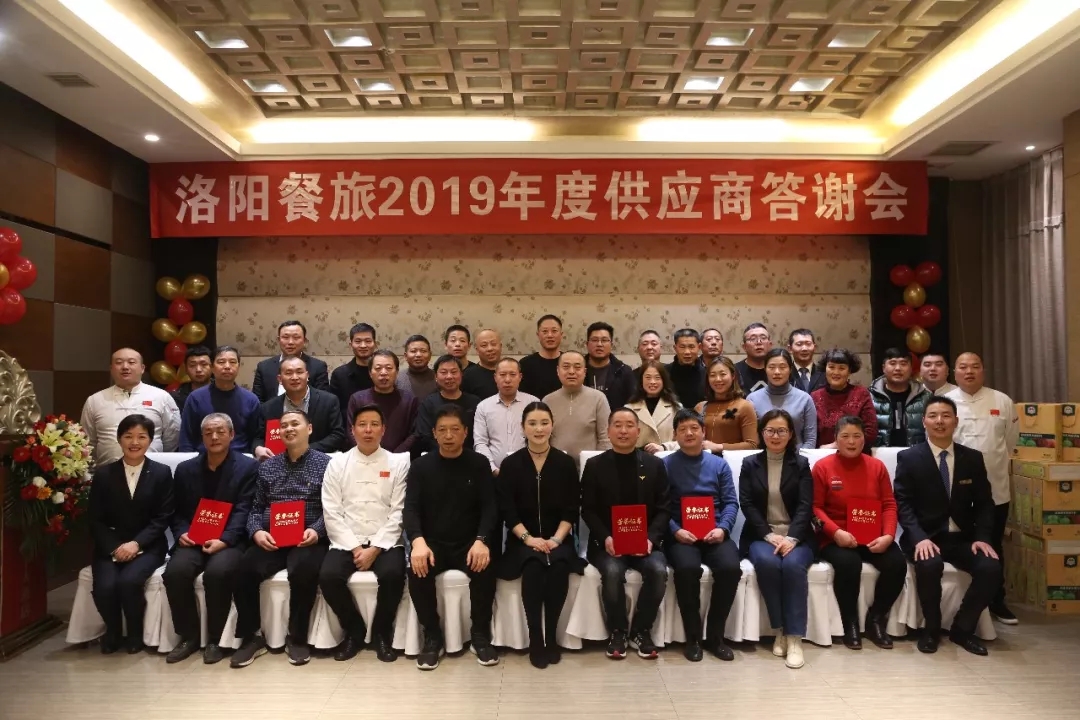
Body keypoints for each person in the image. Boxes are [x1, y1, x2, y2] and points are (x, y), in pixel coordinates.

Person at [893, 397, 1001, 656]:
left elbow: (985, 504)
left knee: (991, 568)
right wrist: (918, 538)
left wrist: (982, 537)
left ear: (956, 421)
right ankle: (931, 629)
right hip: (925, 537)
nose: (939, 421)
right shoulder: (909, 458)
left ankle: (962, 629)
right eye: (933, 416)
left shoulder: (972, 458)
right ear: (924, 421)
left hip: (963, 538)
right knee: (930, 565)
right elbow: (903, 504)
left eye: (946, 416)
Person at [231, 410, 332, 668]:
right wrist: (256, 531)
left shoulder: (327, 464)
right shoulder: (267, 467)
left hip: (308, 537)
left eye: (295, 424)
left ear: (309, 429)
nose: (288, 429)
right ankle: (251, 637)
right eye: (284, 425)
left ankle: (297, 638)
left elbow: (334, 508)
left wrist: (317, 530)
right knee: (243, 569)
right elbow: (256, 508)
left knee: (303, 570)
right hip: (272, 537)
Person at [405, 405, 499, 670]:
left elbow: (490, 507)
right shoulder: (421, 466)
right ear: (434, 433)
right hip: (433, 542)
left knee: (486, 568)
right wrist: (417, 541)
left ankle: (480, 634)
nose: (449, 435)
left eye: (455, 429)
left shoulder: (479, 464)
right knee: (417, 570)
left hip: (469, 541)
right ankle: (432, 636)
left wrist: (482, 540)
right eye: (443, 430)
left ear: (465, 432)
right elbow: (410, 508)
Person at [164, 413, 259, 664]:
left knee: (218, 573)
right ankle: (188, 636)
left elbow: (245, 508)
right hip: (193, 538)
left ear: (232, 435)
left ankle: (216, 639)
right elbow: (176, 511)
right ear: (201, 437)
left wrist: (225, 539)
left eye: (220, 432)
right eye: (208, 433)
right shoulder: (185, 469)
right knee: (175, 572)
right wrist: (181, 533)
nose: (214, 437)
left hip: (230, 541)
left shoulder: (248, 467)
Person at [319, 403, 409, 663]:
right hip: (347, 539)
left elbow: (399, 511)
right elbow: (331, 510)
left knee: (393, 575)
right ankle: (354, 630)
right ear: (353, 430)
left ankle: (381, 632)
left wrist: (376, 548)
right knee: (328, 576)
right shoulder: (337, 463)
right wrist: (356, 547)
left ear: (383, 430)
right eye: (362, 425)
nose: (368, 430)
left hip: (385, 541)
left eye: (374, 425)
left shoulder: (397, 462)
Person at [497, 402, 581, 668]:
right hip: (522, 539)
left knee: (558, 568)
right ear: (523, 427)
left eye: (544, 423)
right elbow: (507, 510)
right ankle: (535, 637)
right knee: (533, 567)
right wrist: (528, 539)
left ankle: (551, 636)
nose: (539, 429)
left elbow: (572, 507)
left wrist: (556, 539)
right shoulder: (511, 464)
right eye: (532, 423)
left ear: (552, 426)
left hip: (559, 537)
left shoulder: (565, 463)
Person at [581, 408, 670, 660]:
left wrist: (650, 539)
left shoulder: (654, 465)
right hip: (607, 542)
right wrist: (606, 537)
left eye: (629, 425)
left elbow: (664, 508)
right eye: (617, 425)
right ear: (608, 431)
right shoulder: (595, 465)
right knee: (612, 571)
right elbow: (588, 509)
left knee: (658, 570)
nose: (623, 431)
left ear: (638, 431)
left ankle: (641, 630)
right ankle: (618, 631)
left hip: (646, 542)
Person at [812, 416, 906, 650]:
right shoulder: (823, 467)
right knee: (849, 564)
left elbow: (889, 504)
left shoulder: (877, 467)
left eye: (857, 436)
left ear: (865, 439)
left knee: (896, 563)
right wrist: (835, 533)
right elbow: (815, 508)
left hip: (872, 535)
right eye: (845, 436)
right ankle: (850, 623)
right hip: (835, 537)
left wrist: (888, 535)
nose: (851, 442)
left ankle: (876, 619)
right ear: (836, 439)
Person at [87, 414, 174, 654]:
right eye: (128, 436)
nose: (134, 442)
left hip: (148, 545)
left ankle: (135, 633)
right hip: (110, 545)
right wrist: (115, 547)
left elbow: (163, 517)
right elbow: (95, 518)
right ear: (119, 439)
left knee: (129, 582)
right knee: (105, 586)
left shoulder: (161, 473)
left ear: (150, 440)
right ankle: (113, 631)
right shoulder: (104, 474)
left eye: (141, 437)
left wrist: (136, 543)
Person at [663, 409, 742, 662]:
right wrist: (675, 530)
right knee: (687, 569)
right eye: (682, 429)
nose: (689, 433)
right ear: (675, 434)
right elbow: (659, 507)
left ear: (703, 432)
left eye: (694, 428)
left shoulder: (719, 464)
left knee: (731, 568)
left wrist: (723, 528)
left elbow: (731, 503)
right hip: (681, 535)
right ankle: (693, 637)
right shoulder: (665, 465)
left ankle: (716, 637)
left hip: (714, 532)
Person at [739, 410, 815, 670]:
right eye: (770, 430)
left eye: (781, 430)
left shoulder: (801, 464)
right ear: (762, 433)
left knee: (793, 566)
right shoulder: (750, 464)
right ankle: (781, 629)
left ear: (791, 434)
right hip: (762, 535)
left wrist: (791, 537)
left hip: (797, 536)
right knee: (768, 564)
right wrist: (769, 534)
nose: (775, 435)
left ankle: (795, 639)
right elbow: (747, 503)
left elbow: (805, 505)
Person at [946, 352, 1018, 625]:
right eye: (963, 367)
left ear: (983, 370)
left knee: (993, 543)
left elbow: (1010, 442)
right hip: (957, 492)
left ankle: (997, 600)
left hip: (996, 488)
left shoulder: (1002, 401)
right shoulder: (946, 402)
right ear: (954, 372)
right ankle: (965, 601)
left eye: (975, 366)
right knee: (961, 543)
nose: (969, 372)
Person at [81, 348, 180, 466]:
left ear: (142, 368)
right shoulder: (95, 400)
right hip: (108, 470)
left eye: (131, 362)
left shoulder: (161, 397)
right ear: (111, 369)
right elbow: (87, 440)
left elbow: (172, 436)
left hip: (151, 470)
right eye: (119, 362)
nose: (125, 367)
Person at [254, 356, 346, 458]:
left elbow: (337, 435)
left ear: (307, 375)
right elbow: (258, 437)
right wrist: (258, 448)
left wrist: (305, 450)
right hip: (281, 460)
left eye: (299, 372)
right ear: (280, 379)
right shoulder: (268, 407)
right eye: (289, 373)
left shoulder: (329, 401)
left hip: (319, 457)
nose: (294, 377)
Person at [179, 346, 261, 453]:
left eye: (232, 362)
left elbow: (256, 437)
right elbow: (186, 438)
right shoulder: (195, 398)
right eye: (221, 362)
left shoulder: (251, 400)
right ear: (212, 367)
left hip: (241, 458)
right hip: (204, 458)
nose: (227, 366)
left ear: (238, 366)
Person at [543, 351, 612, 469]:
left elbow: (605, 438)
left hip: (589, 468)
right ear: (558, 371)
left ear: (585, 372)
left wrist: (600, 466)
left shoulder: (598, 398)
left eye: (577, 367)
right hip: (555, 468)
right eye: (566, 367)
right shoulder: (547, 401)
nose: (571, 371)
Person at [346, 349, 419, 453]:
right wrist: (367, 451)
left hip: (398, 458)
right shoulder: (357, 399)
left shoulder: (410, 400)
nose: (383, 373)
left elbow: (414, 433)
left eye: (389, 368)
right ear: (370, 373)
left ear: (397, 372)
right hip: (365, 456)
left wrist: (394, 456)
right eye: (378, 368)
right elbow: (351, 430)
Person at [473, 358, 538, 473]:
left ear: (520, 377)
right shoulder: (483, 407)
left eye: (512, 374)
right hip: (494, 473)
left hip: (529, 471)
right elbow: (480, 443)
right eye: (502, 375)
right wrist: (492, 469)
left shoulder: (534, 403)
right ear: (495, 377)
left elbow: (540, 438)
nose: (507, 380)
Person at [746, 349, 817, 449]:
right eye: (771, 367)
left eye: (782, 367)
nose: (777, 372)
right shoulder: (752, 399)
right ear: (765, 369)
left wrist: (800, 457)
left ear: (790, 369)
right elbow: (752, 438)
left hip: (797, 455)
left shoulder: (805, 399)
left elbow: (810, 439)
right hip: (763, 455)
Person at [412, 354, 480, 457]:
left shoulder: (475, 402)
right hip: (436, 457)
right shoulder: (428, 403)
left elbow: (479, 435)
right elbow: (424, 436)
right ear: (436, 376)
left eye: (454, 372)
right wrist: (447, 452)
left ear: (461, 374)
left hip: (469, 457)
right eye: (443, 372)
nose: (449, 377)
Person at [811, 348, 878, 448]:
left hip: (855, 451)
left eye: (841, 368)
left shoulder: (861, 394)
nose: (836, 372)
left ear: (849, 371)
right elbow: (810, 433)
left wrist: (836, 445)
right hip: (823, 453)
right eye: (831, 367)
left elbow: (871, 432)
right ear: (825, 368)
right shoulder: (815, 396)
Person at [251, 320, 330, 403]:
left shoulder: (318, 366)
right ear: (278, 340)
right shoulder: (264, 367)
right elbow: (257, 401)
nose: (290, 342)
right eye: (285, 337)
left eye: (296, 337)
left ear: (305, 340)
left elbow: (322, 401)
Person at [870, 348, 931, 448]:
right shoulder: (869, 397)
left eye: (903, 363)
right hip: (878, 453)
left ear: (911, 368)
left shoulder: (926, 397)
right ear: (883, 368)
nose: (898, 368)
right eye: (892, 363)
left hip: (916, 453)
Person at [695, 357, 758, 453]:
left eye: (723, 374)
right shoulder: (700, 407)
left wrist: (719, 447)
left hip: (732, 461)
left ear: (733, 376)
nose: (718, 379)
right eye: (712, 375)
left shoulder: (744, 406)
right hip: (704, 460)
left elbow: (752, 445)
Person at [626, 361, 680, 454]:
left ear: (663, 380)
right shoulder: (629, 409)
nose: (652, 382)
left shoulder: (676, 408)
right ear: (641, 380)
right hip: (639, 460)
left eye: (657, 378)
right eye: (648, 377)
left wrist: (664, 447)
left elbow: (684, 440)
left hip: (667, 458)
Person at [330, 322, 378, 420]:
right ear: (350, 344)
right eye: (358, 341)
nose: (363, 345)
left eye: (368, 341)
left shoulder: (382, 373)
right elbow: (335, 411)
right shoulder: (339, 375)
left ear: (375, 344)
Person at [584, 321, 636, 411]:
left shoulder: (624, 371)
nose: (599, 344)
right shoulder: (577, 370)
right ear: (587, 344)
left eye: (604, 340)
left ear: (611, 345)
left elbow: (632, 404)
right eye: (595, 340)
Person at [519, 314, 564, 400]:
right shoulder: (525, 364)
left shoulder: (569, 363)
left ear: (561, 334)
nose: (550, 335)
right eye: (545, 331)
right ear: (538, 335)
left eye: (554, 331)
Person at [665, 328, 706, 408]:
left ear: (699, 347)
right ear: (675, 348)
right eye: (682, 347)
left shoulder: (707, 374)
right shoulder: (665, 373)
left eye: (691, 347)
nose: (687, 352)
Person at [461, 329, 502, 399]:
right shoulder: (468, 375)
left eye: (493, 344)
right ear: (477, 350)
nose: (490, 349)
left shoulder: (512, 370)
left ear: (500, 346)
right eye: (484, 345)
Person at [172, 345, 212, 413]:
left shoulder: (222, 391)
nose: (198, 370)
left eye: (204, 364)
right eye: (192, 365)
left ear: (212, 367)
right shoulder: (176, 397)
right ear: (186, 369)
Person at [396, 334, 437, 399]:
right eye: (413, 351)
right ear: (406, 356)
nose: (418, 355)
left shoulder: (438, 378)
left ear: (430, 355)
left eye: (423, 351)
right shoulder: (397, 378)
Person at [735, 323, 772, 393]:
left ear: (770, 344)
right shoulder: (734, 371)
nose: (759, 342)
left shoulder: (779, 370)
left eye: (763, 338)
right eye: (753, 339)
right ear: (744, 347)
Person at [788, 329, 825, 394]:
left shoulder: (824, 372)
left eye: (808, 344)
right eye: (799, 344)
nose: (804, 348)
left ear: (815, 347)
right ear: (790, 349)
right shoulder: (785, 373)